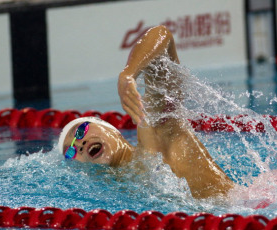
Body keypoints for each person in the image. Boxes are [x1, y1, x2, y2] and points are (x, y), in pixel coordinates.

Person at [58, 25, 235, 199]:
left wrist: (128, 74)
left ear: (111, 130)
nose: (79, 144)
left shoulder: (152, 131)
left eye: (81, 131)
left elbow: (161, 34)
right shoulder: (120, 192)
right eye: (70, 151)